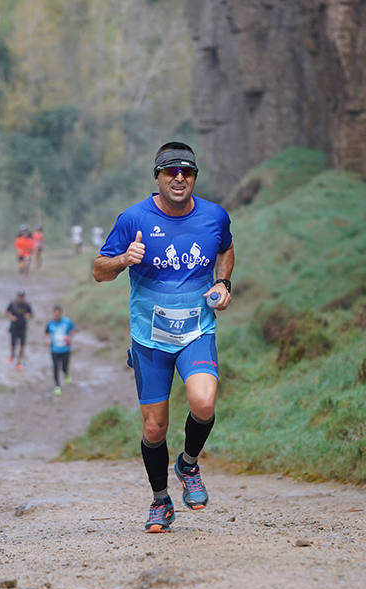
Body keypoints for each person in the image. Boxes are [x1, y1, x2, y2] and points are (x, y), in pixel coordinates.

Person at [92, 141, 234, 533]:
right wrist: (123, 260)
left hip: (196, 331)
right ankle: (160, 501)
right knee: (154, 428)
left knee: (204, 402)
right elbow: (98, 270)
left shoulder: (214, 216)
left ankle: (188, 464)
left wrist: (222, 282)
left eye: (186, 171)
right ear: (157, 176)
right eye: (170, 171)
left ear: (194, 177)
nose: (178, 178)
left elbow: (225, 249)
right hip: (150, 339)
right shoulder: (133, 219)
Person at [44, 305, 76, 396]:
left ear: (61, 313)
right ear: (53, 313)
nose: (57, 315)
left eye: (58, 313)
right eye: (55, 313)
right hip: (54, 350)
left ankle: (66, 374)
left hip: (65, 349)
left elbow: (73, 330)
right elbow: (46, 334)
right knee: (55, 368)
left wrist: (70, 337)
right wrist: (48, 341)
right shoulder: (50, 324)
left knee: (64, 367)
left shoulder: (67, 322)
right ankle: (57, 386)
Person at [5, 289, 33, 370]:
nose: (20, 298)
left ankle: (18, 362)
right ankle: (12, 354)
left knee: (22, 346)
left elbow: (31, 314)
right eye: (19, 296)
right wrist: (11, 317)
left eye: (22, 297)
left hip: (23, 328)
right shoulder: (13, 304)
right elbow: (6, 312)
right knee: (13, 345)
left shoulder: (27, 305)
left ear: (24, 297)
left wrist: (28, 315)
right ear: (17, 296)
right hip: (14, 327)